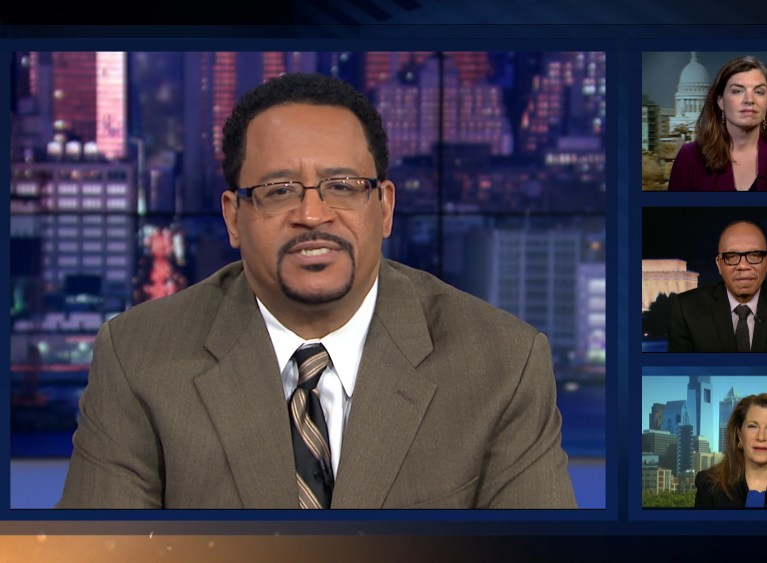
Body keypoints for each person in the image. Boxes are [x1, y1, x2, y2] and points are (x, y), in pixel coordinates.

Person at [57, 73, 577, 509]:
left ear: (385, 208)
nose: (311, 214)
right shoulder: (138, 357)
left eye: (343, 187)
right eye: (278, 190)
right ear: (234, 218)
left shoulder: (503, 363)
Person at [667, 220, 767, 352]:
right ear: (719, 265)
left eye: (754, 255)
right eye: (731, 257)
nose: (743, 266)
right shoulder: (686, 309)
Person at [668, 56, 767, 192]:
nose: (749, 100)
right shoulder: (690, 158)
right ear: (720, 101)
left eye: (759, 92)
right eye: (737, 91)